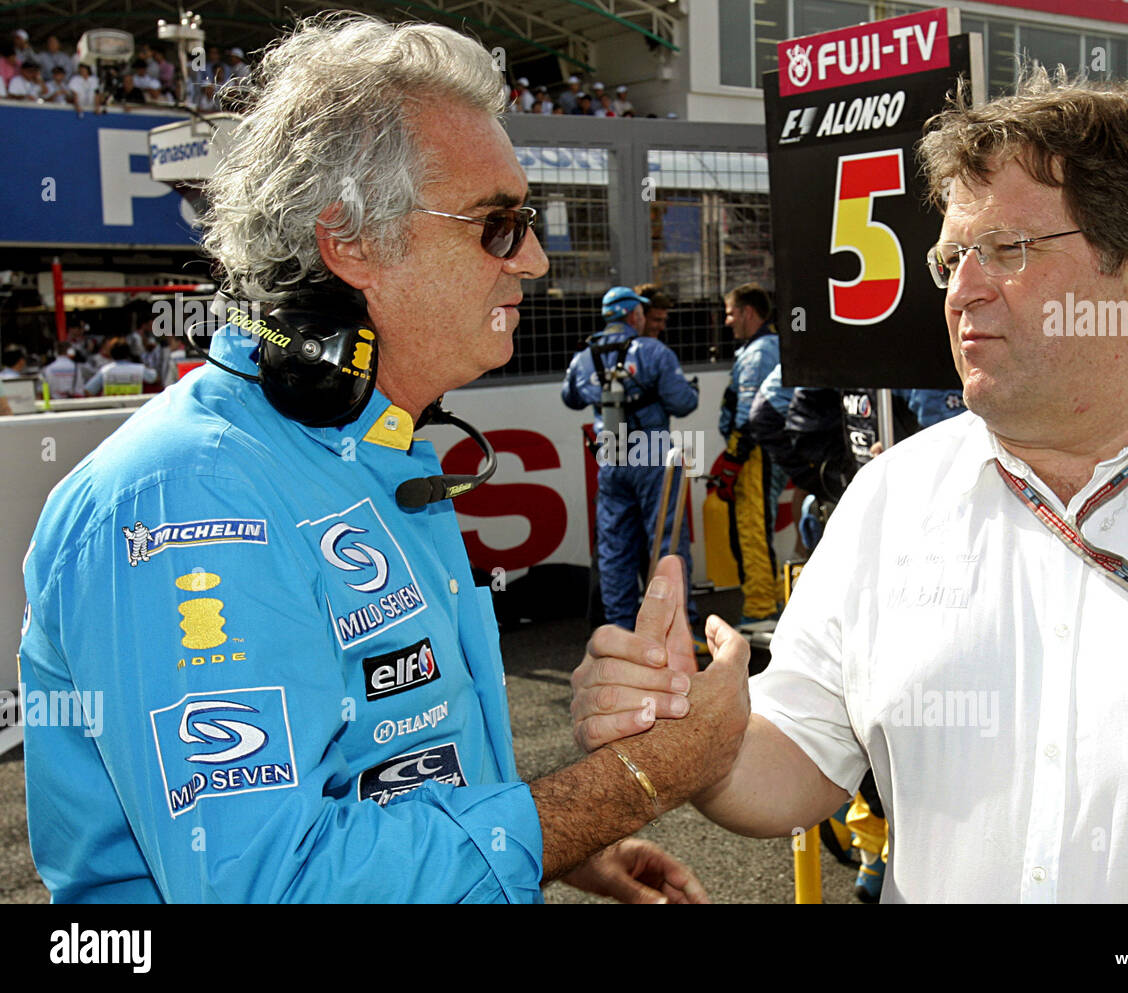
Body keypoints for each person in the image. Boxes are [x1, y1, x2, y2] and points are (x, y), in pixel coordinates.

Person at [20, 13, 749, 905]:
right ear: (352, 242)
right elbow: (269, 886)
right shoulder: (182, 495)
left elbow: (394, 773)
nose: (533, 259)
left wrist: (558, 846)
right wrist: (641, 779)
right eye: (497, 223)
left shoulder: (375, 448)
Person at [572, 68, 1128, 902]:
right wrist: (698, 731)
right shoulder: (893, 497)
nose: (962, 290)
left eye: (1009, 250)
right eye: (953, 256)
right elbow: (799, 761)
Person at [561, 286, 700, 634]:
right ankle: (675, 628)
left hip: (610, 457)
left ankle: (619, 631)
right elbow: (683, 403)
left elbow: (571, 398)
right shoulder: (653, 351)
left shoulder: (584, 356)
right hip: (653, 454)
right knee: (667, 542)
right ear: (634, 315)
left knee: (614, 546)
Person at [715, 282, 781, 634]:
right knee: (754, 529)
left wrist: (733, 458)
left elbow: (749, 414)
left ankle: (760, 609)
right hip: (757, 451)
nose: (727, 321)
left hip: (755, 453)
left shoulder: (758, 353)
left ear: (748, 312)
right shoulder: (761, 348)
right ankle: (765, 602)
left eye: (730, 313)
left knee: (753, 530)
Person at [82, 340, 157, 396]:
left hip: (111, 411)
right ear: (128, 353)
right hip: (134, 410)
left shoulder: (105, 371)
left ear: (111, 353)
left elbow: (88, 391)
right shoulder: (140, 369)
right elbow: (155, 378)